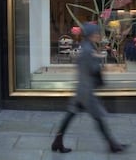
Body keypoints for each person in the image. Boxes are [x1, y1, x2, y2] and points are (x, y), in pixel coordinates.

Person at [51, 23, 128, 154]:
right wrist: (99, 62)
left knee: (71, 115)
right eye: (96, 33)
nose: (98, 35)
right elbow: (92, 69)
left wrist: (96, 58)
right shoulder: (87, 49)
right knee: (98, 117)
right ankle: (113, 145)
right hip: (86, 91)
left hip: (83, 88)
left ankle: (57, 141)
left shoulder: (87, 47)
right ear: (90, 35)